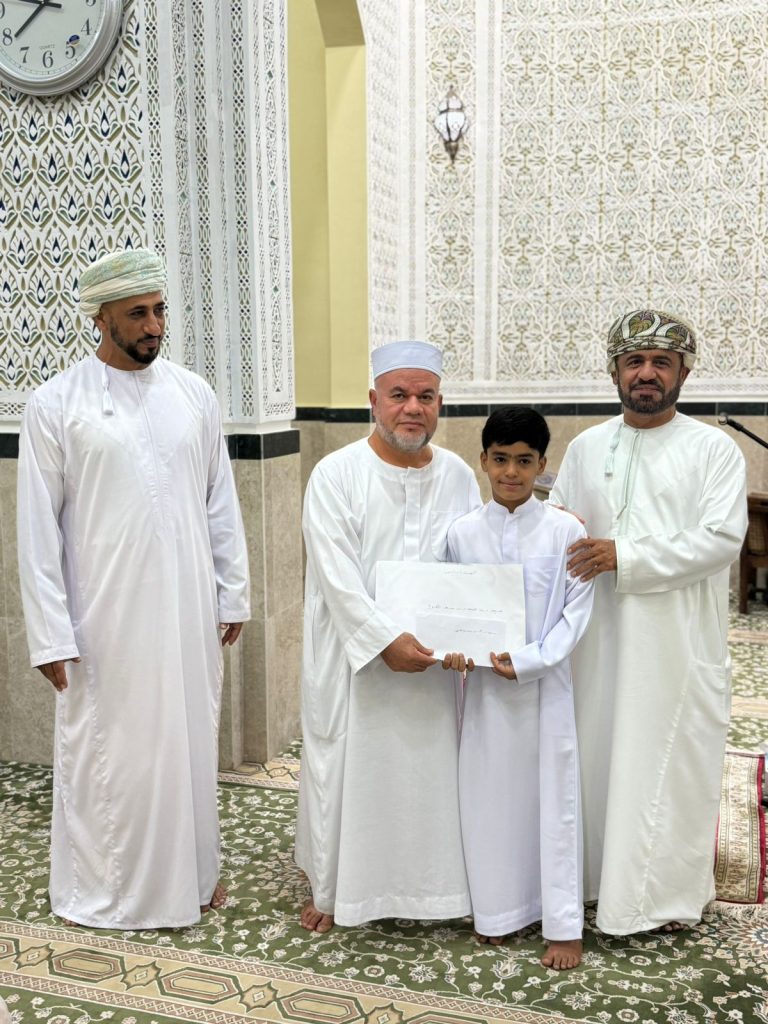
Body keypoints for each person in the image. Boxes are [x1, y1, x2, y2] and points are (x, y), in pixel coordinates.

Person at [17, 248, 250, 930]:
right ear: (101, 318)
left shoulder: (193, 394)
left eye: (159, 311)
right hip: (104, 620)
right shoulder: (56, 404)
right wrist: (51, 634)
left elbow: (219, 500)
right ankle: (108, 891)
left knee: (188, 742)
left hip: (187, 610)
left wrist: (232, 591)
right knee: (111, 753)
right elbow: (38, 530)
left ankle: (194, 875)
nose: (154, 327)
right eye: (137, 314)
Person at [549, 309, 747, 936]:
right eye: (634, 361)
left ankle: (660, 899)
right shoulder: (586, 447)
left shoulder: (713, 450)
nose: (647, 373)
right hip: (596, 643)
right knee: (594, 759)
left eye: (662, 362)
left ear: (684, 373)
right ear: (614, 371)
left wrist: (625, 555)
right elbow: (559, 524)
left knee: (667, 766)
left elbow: (721, 539)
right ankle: (590, 883)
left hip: (675, 645)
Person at [295, 340, 481, 932]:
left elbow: (476, 562)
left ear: (440, 403)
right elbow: (336, 576)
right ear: (373, 400)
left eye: (425, 396)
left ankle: (435, 890)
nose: (412, 408)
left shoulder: (457, 476)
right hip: (356, 663)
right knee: (348, 769)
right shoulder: (336, 473)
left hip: (433, 667)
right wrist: (383, 641)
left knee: (431, 775)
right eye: (399, 395)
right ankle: (340, 889)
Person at [443, 407, 594, 970]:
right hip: (482, 694)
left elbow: (576, 615)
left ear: (542, 465)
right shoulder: (461, 533)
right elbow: (447, 606)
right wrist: (451, 650)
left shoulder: (566, 531)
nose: (511, 472)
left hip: (545, 691)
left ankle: (563, 927)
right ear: (483, 461)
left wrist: (530, 661)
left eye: (524, 461)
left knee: (553, 803)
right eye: (501, 459)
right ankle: (497, 912)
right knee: (487, 801)